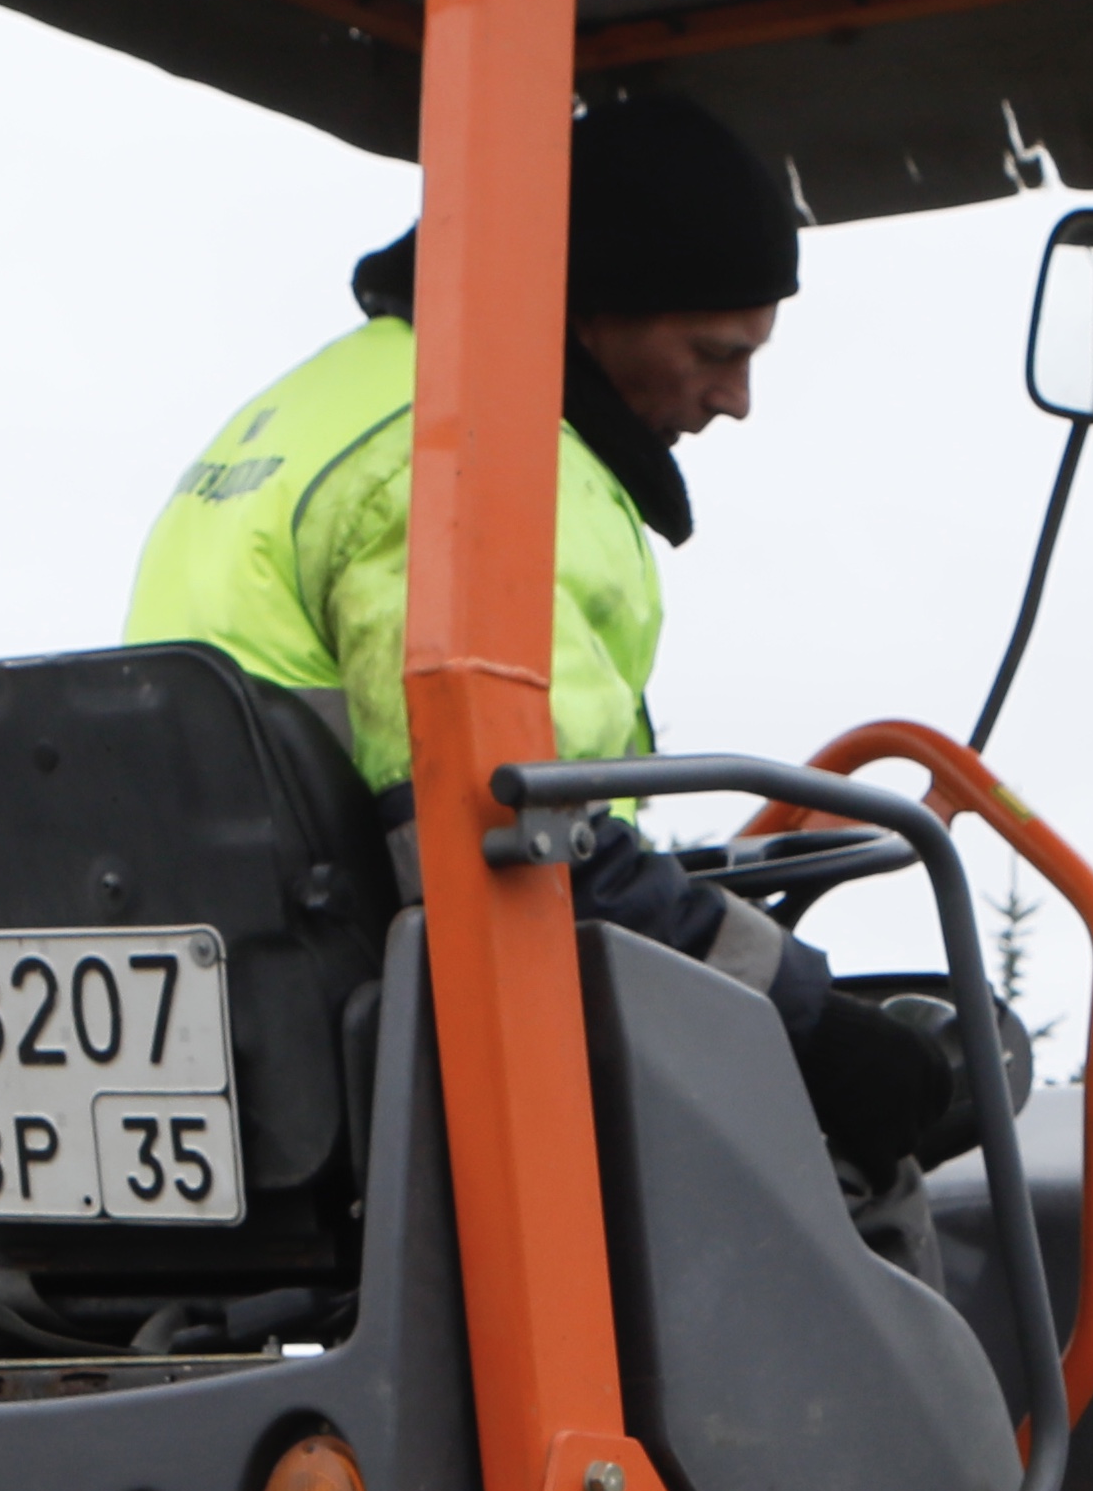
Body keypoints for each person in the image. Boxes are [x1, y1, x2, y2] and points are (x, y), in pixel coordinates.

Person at [125, 91, 964, 1179]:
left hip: (229, 1012)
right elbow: (518, 846)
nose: (737, 400)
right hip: (379, 1064)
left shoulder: (320, 407)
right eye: (714, 350)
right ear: (585, 306)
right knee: (866, 1187)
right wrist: (811, 1022)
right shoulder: (481, 465)